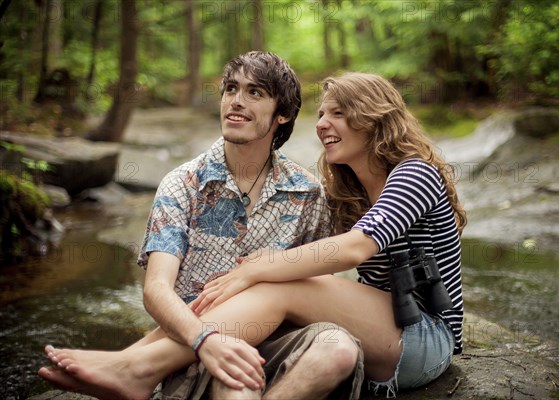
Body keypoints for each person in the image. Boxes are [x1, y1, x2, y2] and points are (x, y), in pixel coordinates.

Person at [41, 71, 467, 398]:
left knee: (285, 281)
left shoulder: (415, 173)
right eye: (320, 113)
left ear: (375, 118)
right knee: (270, 285)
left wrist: (259, 268)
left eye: (338, 112)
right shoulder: (349, 189)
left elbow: (355, 249)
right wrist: (252, 278)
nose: (322, 124)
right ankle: (134, 361)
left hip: (425, 338)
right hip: (385, 336)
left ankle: (137, 367)